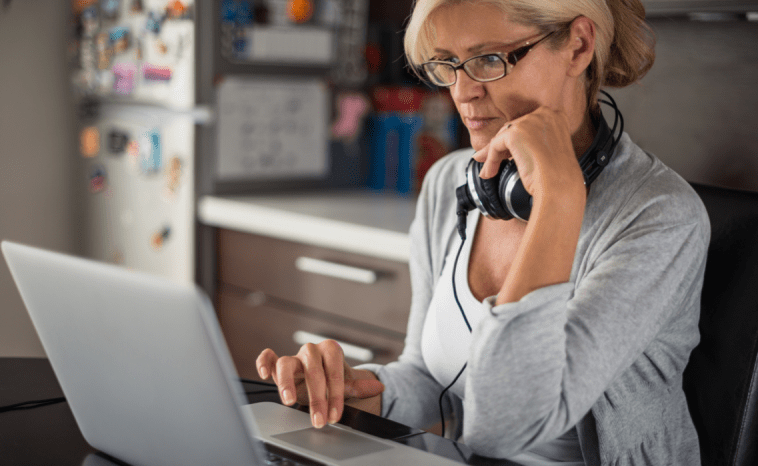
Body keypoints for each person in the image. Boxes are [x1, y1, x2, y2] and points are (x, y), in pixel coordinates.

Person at [256, 0, 710, 464]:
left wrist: (558, 199)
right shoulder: (451, 182)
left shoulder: (659, 216)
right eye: (447, 64)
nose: (463, 92)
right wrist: (356, 394)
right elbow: (430, 377)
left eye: (488, 60)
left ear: (578, 46)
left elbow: (504, 430)